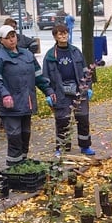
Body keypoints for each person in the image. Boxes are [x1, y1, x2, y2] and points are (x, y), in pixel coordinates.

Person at [0, 24, 56, 166]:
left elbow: (38, 76)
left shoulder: (27, 55)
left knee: (25, 134)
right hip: (11, 105)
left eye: (13, 36)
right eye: (7, 38)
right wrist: (5, 94)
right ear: (1, 40)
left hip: (27, 102)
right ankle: (13, 166)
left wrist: (48, 91)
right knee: (14, 136)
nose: (11, 40)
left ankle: (23, 163)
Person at [42, 24, 95, 157]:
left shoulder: (76, 52)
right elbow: (45, 77)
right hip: (60, 93)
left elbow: (85, 72)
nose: (63, 36)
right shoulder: (50, 56)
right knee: (62, 120)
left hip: (79, 91)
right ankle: (62, 147)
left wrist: (88, 87)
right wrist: (49, 93)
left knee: (83, 118)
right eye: (60, 34)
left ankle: (85, 146)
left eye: (65, 33)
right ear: (55, 37)